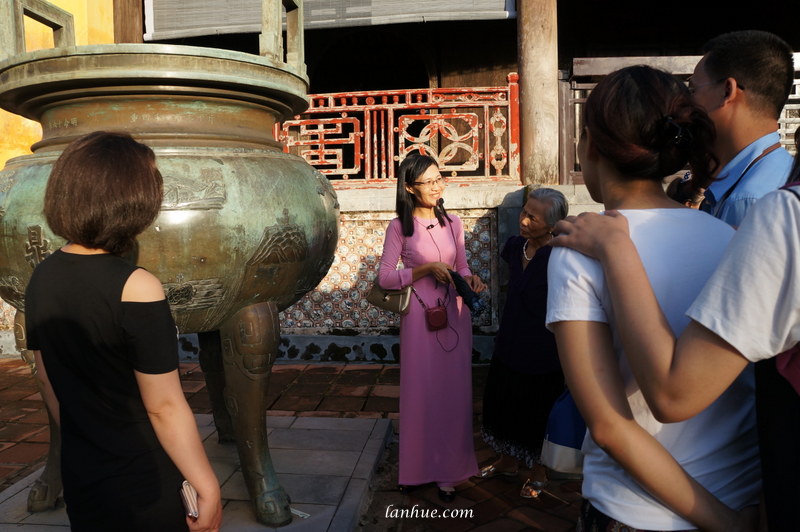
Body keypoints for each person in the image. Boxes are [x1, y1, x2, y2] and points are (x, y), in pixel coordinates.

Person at [546, 66, 760, 531]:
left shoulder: (581, 248)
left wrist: (723, 522)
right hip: (742, 493)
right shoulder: (729, 238)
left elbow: (608, 426)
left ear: (591, 146)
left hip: (636, 511)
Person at [25, 131, 222, 532]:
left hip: (83, 475)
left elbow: (47, 380)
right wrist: (208, 487)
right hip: (142, 481)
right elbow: (163, 406)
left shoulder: (41, 278)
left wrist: (90, 441)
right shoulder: (136, 286)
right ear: (132, 199)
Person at [377, 152, 486, 502]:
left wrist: (473, 280)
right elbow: (385, 277)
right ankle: (416, 469)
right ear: (409, 187)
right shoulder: (399, 227)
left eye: (440, 178)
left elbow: (463, 268)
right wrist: (424, 270)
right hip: (419, 320)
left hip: (454, 314)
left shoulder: (453, 223)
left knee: (453, 396)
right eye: (429, 181)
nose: (438, 186)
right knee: (421, 394)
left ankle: (449, 471)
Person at [478, 187, 568, 498]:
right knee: (505, 402)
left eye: (534, 217)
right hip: (510, 339)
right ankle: (507, 460)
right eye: (524, 212)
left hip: (543, 346)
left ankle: (539, 470)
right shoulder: (515, 247)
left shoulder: (561, 255)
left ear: (553, 224)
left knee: (537, 408)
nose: (524, 220)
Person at [690, 30, 794, 226]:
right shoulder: (780, 170)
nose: (689, 104)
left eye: (694, 90)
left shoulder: (747, 200)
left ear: (727, 91)